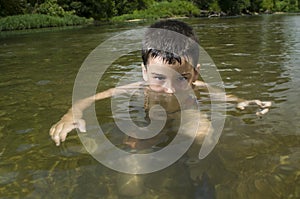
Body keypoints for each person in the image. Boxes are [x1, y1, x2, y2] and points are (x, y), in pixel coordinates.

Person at [49, 19, 271, 147]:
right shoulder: (137, 89)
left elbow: (222, 95)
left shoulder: (197, 87)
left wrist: (242, 102)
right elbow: (87, 99)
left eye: (182, 78)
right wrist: (71, 115)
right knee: (133, 154)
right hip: (150, 120)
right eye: (159, 77)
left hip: (187, 113)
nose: (170, 88)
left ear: (194, 74)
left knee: (206, 139)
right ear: (145, 73)